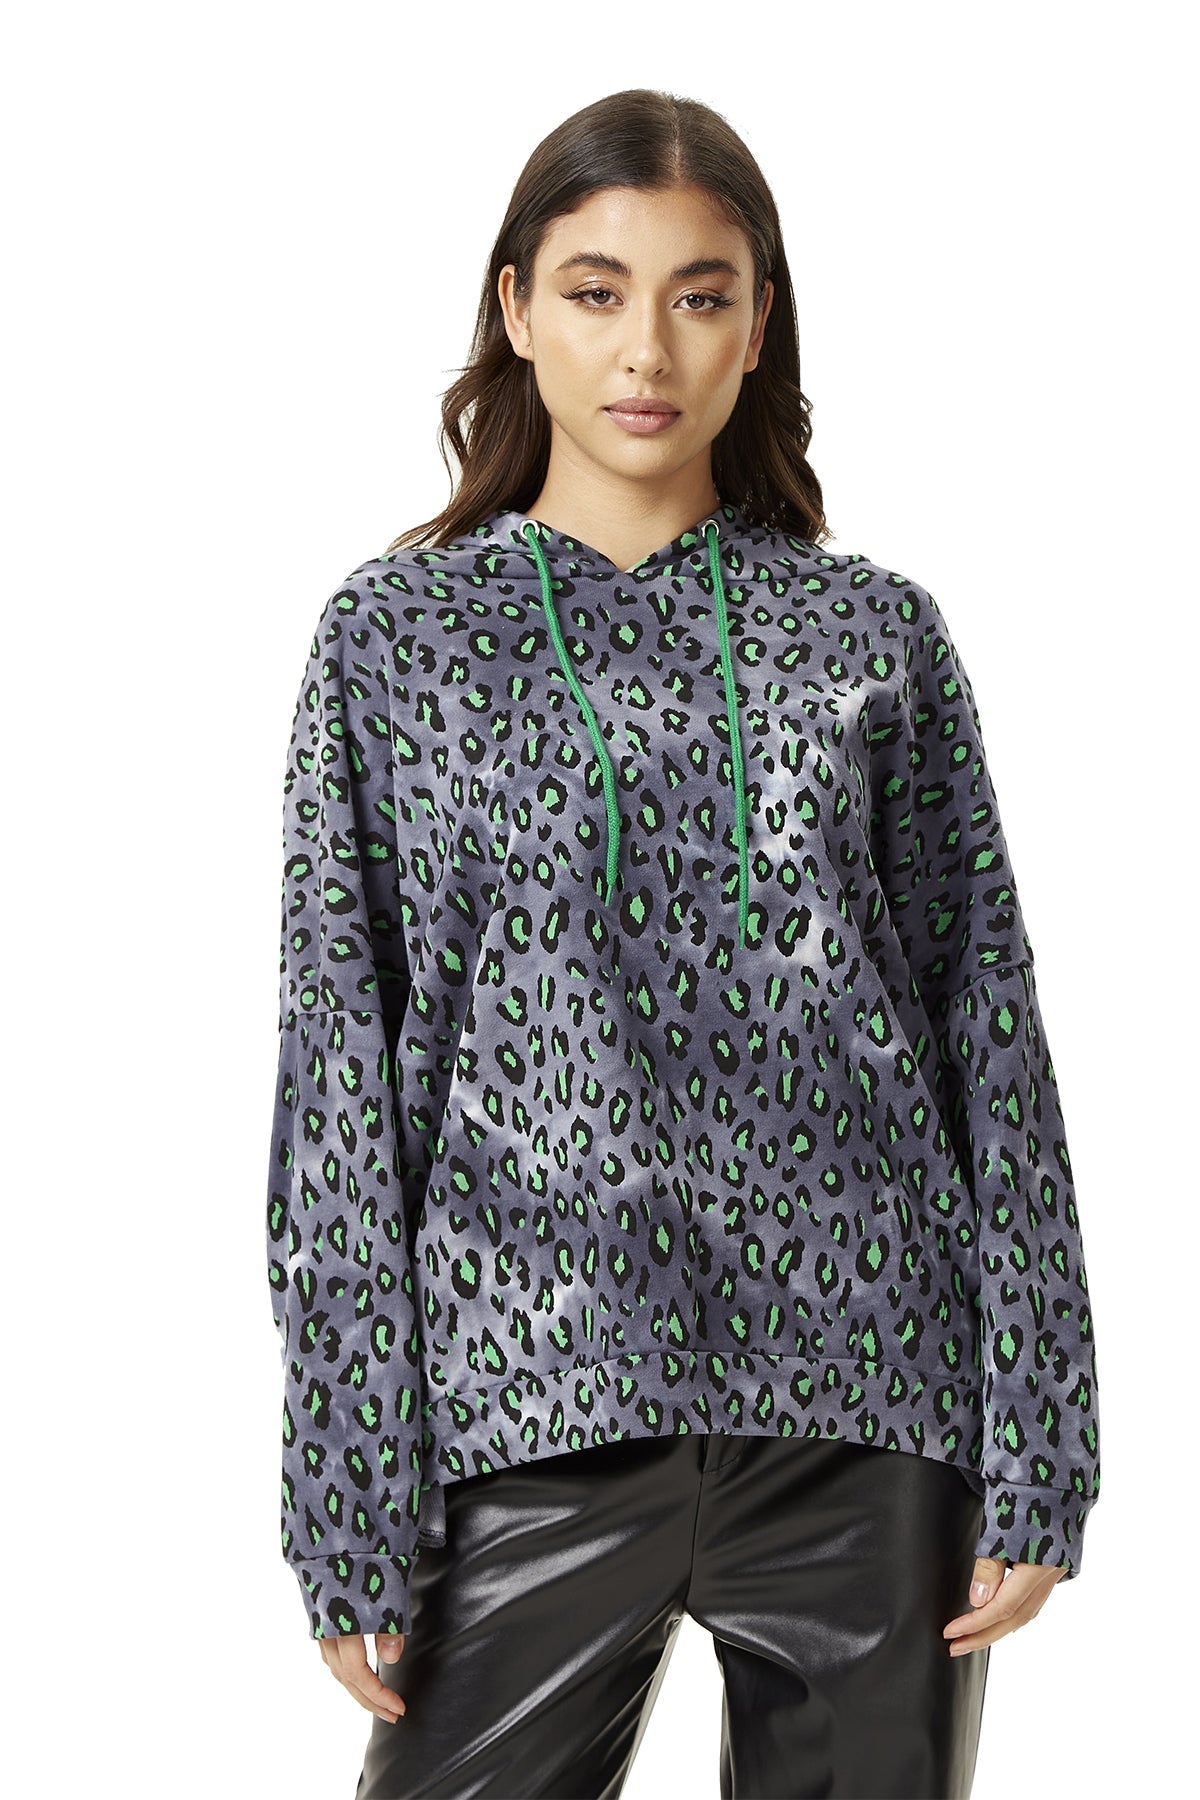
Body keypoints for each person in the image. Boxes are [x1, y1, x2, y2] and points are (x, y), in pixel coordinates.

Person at [264, 87, 1102, 1800]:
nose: (647, 347)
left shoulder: (873, 635)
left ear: (757, 321)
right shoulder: (393, 642)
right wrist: (348, 1486)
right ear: (516, 309)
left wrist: (1044, 1437)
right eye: (596, 291)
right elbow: (336, 1075)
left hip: (873, 1411)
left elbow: (989, 1035)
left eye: (700, 295)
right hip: (532, 1397)